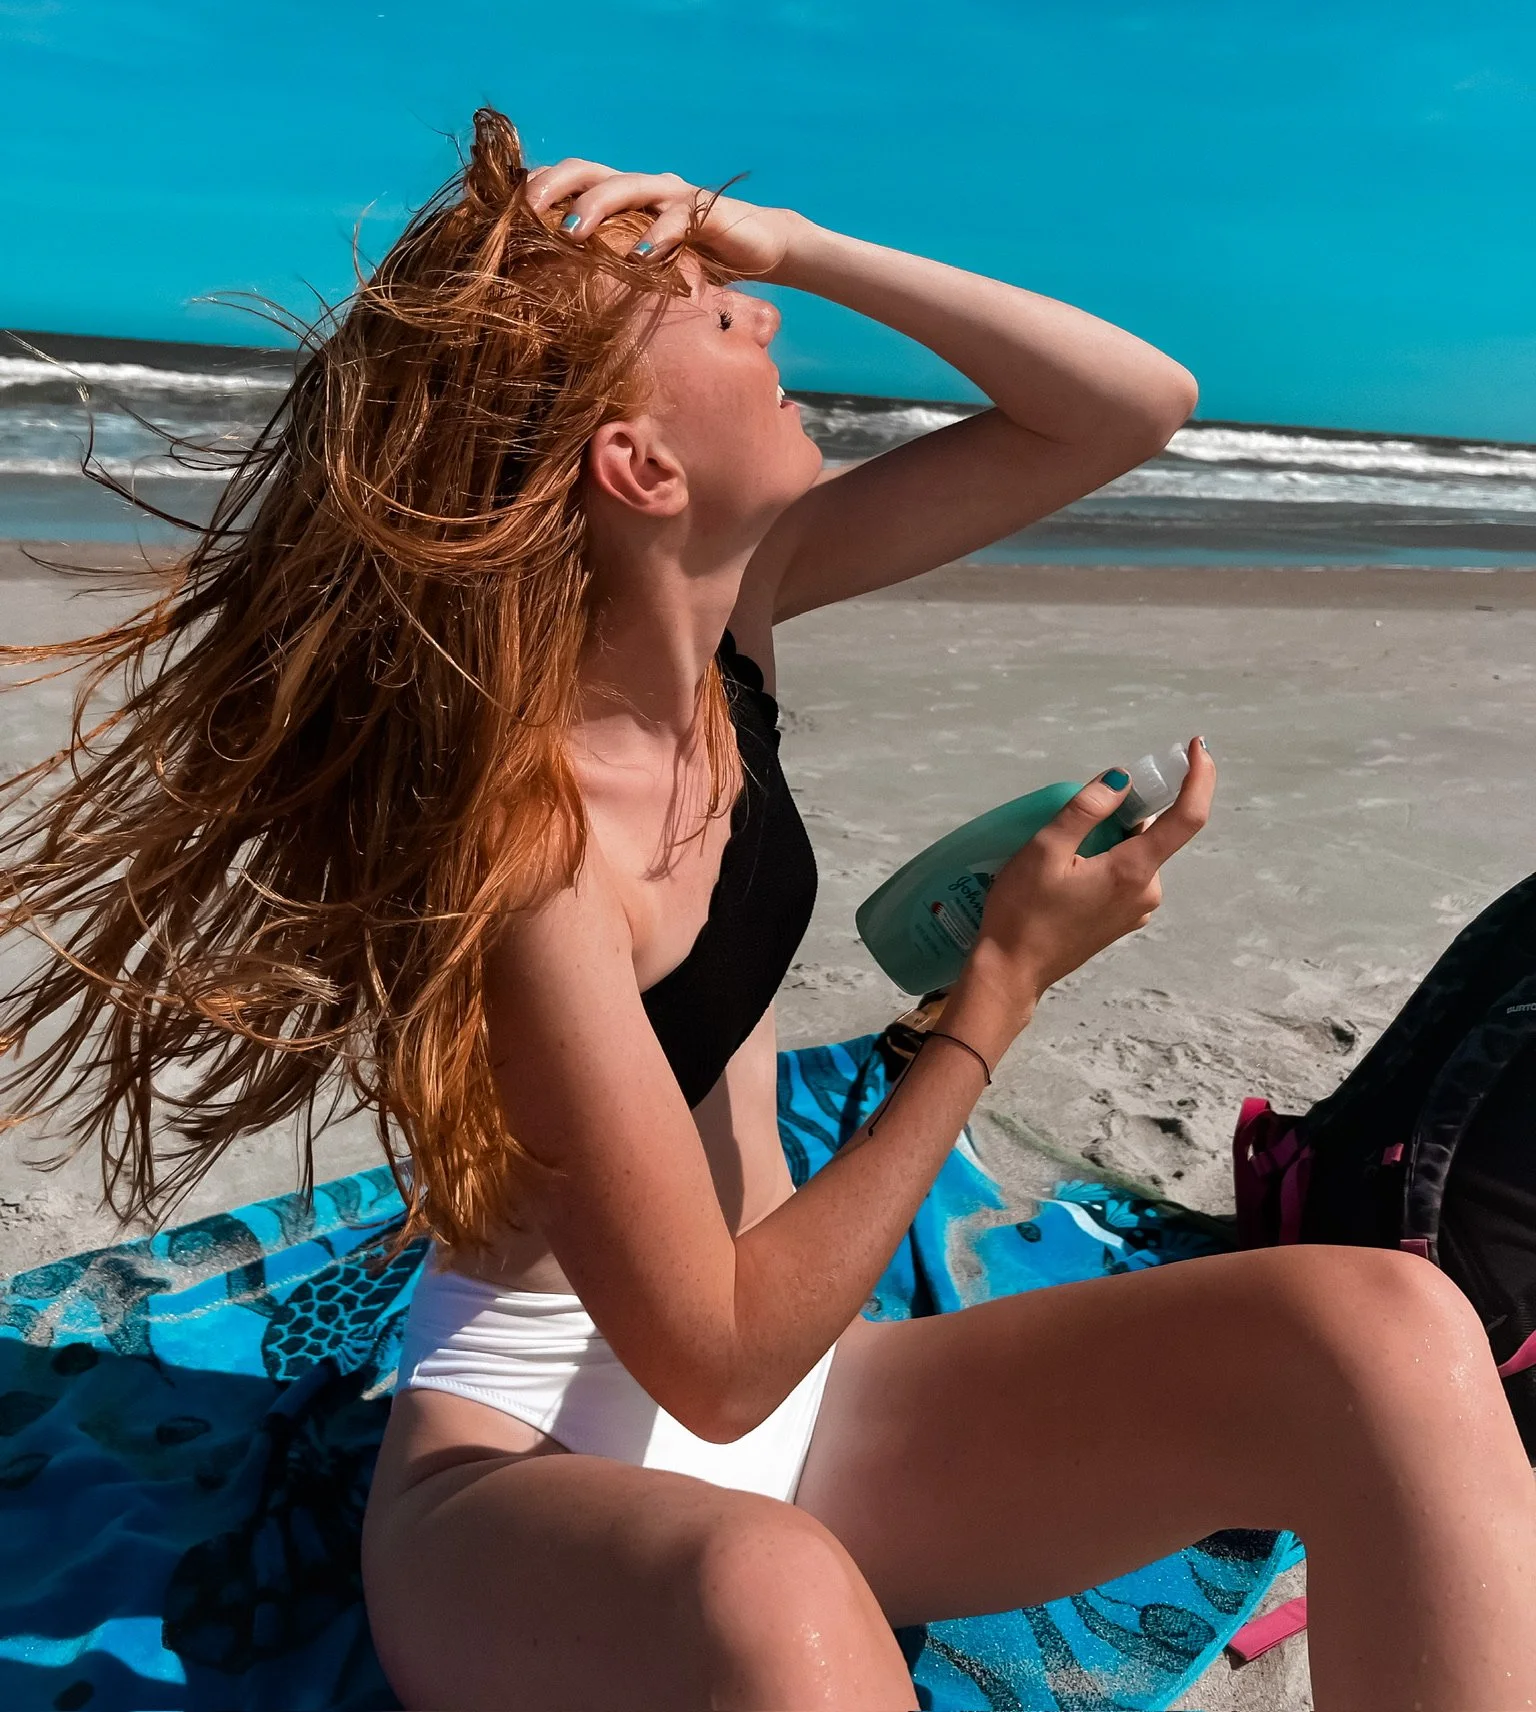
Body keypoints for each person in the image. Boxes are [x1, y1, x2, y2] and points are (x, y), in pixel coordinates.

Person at [3, 111, 1533, 1712]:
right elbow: (714, 1366)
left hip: (823, 1406)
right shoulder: (523, 857)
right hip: (525, 1465)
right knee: (777, 1592)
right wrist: (992, 998)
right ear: (639, 466)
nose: (765, 313)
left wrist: (791, 236)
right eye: (714, 309)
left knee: (1386, 1329)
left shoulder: (737, 624)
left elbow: (1127, 406)